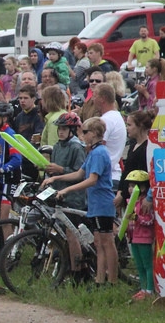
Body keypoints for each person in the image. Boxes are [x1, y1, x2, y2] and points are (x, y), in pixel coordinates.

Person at [44, 117, 117, 286]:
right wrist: (56, 179)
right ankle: (99, 280)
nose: (82, 135)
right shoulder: (93, 152)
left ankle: (112, 280)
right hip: (95, 202)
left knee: (107, 242)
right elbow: (79, 174)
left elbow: (92, 179)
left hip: (102, 201)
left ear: (95, 133)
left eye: (85, 132)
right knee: (99, 243)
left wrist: (67, 189)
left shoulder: (99, 152)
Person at [123, 170, 155, 301]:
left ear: (142, 188)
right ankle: (142, 288)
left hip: (144, 237)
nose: (130, 189)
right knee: (139, 265)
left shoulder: (145, 203)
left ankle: (150, 289)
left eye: (133, 186)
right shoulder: (131, 201)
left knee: (147, 264)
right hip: (133, 237)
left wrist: (137, 218)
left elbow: (150, 220)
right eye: (129, 186)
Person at [93, 83, 127, 193]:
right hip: (113, 175)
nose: (93, 99)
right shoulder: (116, 116)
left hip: (107, 178)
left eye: (95, 95)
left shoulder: (107, 120)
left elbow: (97, 147)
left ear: (102, 99)